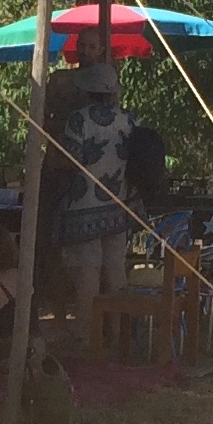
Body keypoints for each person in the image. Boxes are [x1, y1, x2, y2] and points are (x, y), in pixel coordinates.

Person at [55, 57, 136, 337]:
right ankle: (118, 331)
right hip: (119, 204)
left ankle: (87, 333)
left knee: (87, 271)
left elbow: (70, 160)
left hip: (84, 205)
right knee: (115, 269)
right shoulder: (129, 120)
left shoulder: (78, 119)